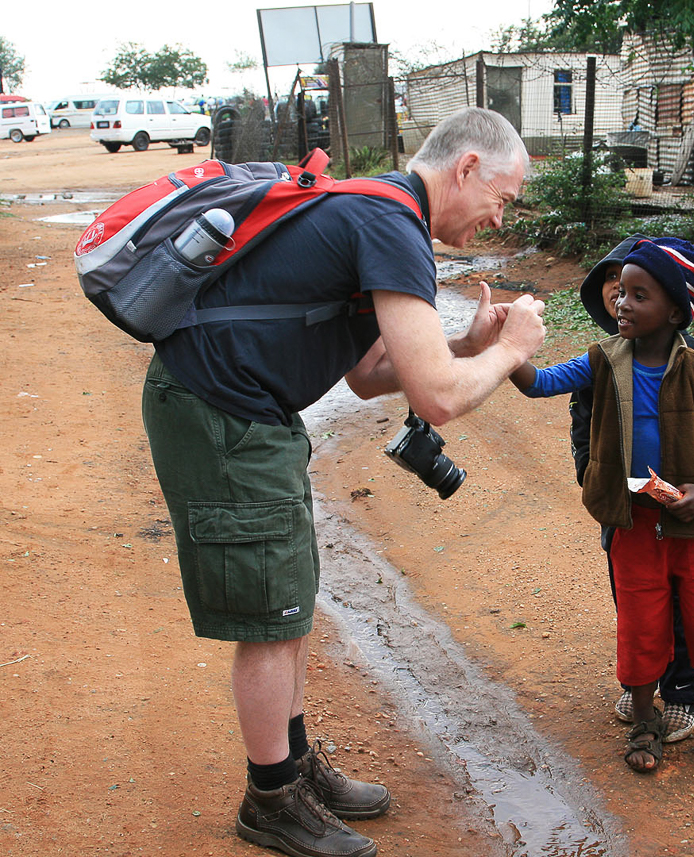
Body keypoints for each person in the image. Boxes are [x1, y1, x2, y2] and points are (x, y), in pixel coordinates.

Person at [141, 106, 546, 857]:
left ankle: (292, 766)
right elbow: (439, 398)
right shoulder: (391, 222)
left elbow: (366, 375)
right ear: (466, 168)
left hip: (247, 409)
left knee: (289, 597)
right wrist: (512, 348)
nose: (500, 215)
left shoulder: (378, 207)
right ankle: (271, 799)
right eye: (504, 197)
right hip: (221, 407)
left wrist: (462, 341)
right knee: (271, 610)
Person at [511, 237, 694, 772]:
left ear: (674, 311)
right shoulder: (603, 360)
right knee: (640, 621)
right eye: (621, 293)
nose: (622, 304)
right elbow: (538, 384)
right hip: (633, 523)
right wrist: (507, 348)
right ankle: (646, 721)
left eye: (639, 296)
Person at [572, 234, 694, 742]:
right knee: (631, 599)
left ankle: (680, 691)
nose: (617, 291)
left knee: (677, 601)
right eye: (610, 279)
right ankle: (640, 682)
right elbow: (580, 419)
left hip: (674, 508)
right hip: (622, 509)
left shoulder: (690, 359)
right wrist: (590, 472)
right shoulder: (601, 358)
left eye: (628, 283)